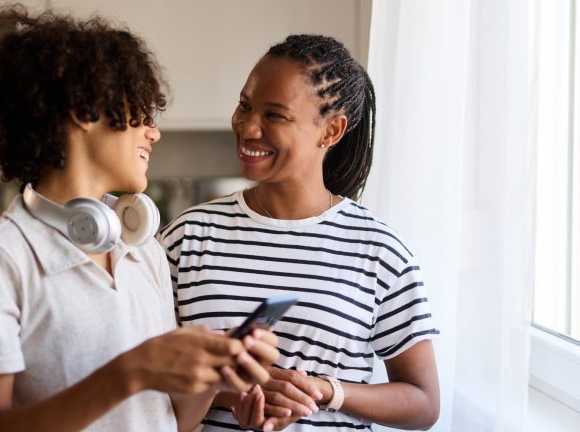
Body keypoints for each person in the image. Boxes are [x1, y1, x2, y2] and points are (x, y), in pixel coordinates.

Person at [0, 6, 279, 432]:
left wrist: (216, 376)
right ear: (84, 111)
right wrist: (131, 372)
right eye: (140, 112)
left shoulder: (143, 253)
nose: (154, 132)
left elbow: (174, 421)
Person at [157, 34, 440, 431]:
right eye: (244, 105)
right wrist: (235, 389)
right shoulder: (186, 238)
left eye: (274, 115)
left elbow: (423, 403)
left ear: (331, 131)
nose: (248, 126)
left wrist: (325, 390)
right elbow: (144, 375)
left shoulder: (381, 252)